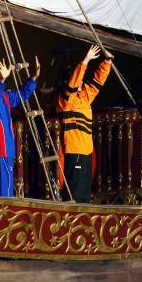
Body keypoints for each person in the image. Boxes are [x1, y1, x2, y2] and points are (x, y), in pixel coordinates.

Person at [0, 57, 40, 197]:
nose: (0, 76)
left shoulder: (2, 94)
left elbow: (19, 96)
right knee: (2, 193)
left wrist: (33, 78)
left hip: (1, 150)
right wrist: (3, 81)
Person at [57, 45, 113, 203]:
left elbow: (97, 82)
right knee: (74, 193)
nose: (81, 83)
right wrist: (85, 61)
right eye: (79, 81)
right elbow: (72, 85)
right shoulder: (66, 100)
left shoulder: (84, 97)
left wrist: (107, 62)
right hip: (74, 151)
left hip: (87, 150)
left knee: (85, 192)